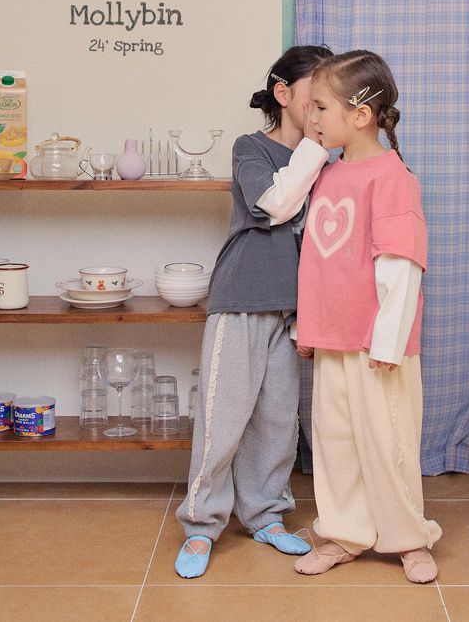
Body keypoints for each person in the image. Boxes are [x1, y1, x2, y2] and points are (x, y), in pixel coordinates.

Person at [174, 45, 332, 579]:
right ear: (283, 93)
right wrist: (315, 148)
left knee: (277, 422)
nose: (322, 108)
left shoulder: (324, 162)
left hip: (292, 309)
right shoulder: (252, 148)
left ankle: (266, 514)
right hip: (241, 298)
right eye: (315, 96)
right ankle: (201, 524)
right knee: (222, 419)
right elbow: (274, 205)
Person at [294, 50, 442, 583]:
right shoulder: (328, 174)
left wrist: (388, 340)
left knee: (388, 440)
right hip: (332, 336)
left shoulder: (392, 177)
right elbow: (319, 263)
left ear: (360, 115)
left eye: (321, 108)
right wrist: (309, 325)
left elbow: (401, 266)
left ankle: (408, 536)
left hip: (378, 344)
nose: (311, 117)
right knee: (335, 441)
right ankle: (343, 532)